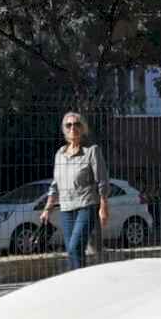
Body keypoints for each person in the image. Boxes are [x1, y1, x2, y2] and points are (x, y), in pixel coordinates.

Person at [41, 112, 110, 271]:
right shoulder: (60, 154)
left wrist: (104, 207)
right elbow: (55, 185)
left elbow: (103, 180)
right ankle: (78, 283)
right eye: (69, 125)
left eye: (77, 124)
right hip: (66, 208)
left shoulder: (91, 151)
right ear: (64, 130)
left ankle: (79, 284)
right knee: (73, 253)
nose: (73, 128)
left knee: (74, 248)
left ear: (83, 128)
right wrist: (47, 209)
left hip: (86, 206)